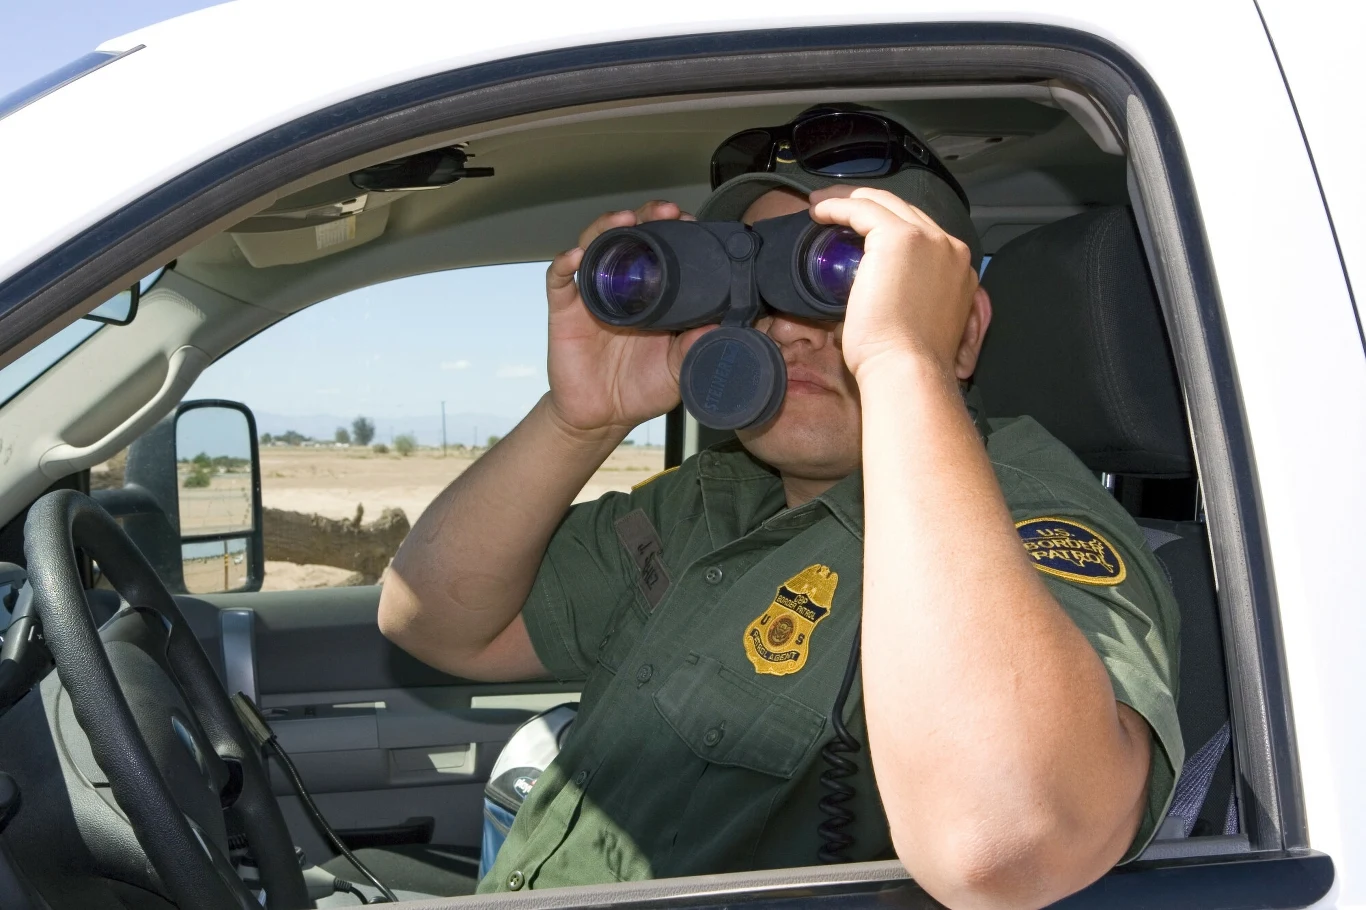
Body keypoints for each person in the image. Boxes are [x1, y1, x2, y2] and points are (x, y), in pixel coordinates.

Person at [377, 105, 1183, 910]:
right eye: (754, 284)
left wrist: (905, 363)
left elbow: (1007, 846)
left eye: (841, 277)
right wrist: (578, 419)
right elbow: (437, 624)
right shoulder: (714, 497)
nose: (787, 328)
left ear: (963, 333)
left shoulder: (1023, 520)